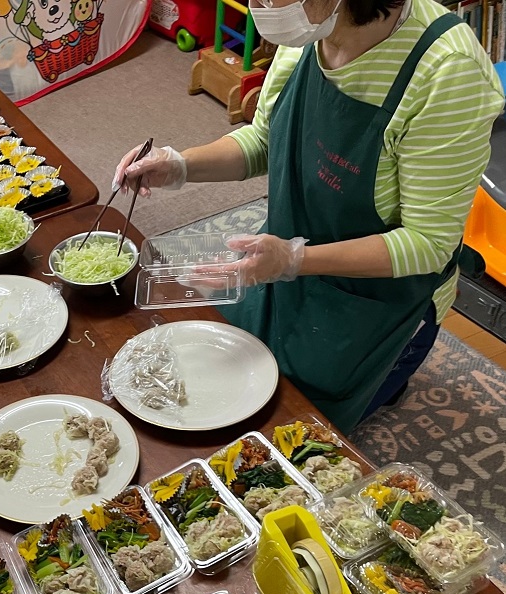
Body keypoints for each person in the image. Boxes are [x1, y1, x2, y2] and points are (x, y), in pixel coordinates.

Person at [114, 0, 505, 431]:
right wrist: (180, 165)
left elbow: (428, 244)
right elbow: (265, 139)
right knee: (210, 379)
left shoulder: (449, 70)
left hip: (378, 298)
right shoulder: (310, 28)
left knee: (288, 429)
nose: (258, 6)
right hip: (284, 259)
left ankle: (397, 371)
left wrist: (295, 260)